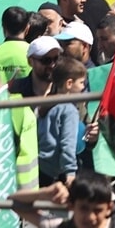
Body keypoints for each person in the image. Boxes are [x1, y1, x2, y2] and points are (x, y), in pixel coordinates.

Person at [37, 56, 86, 186]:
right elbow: (67, 143)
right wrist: (70, 172)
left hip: (41, 167)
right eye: (81, 82)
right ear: (69, 83)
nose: (83, 87)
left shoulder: (45, 104)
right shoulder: (69, 110)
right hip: (58, 173)